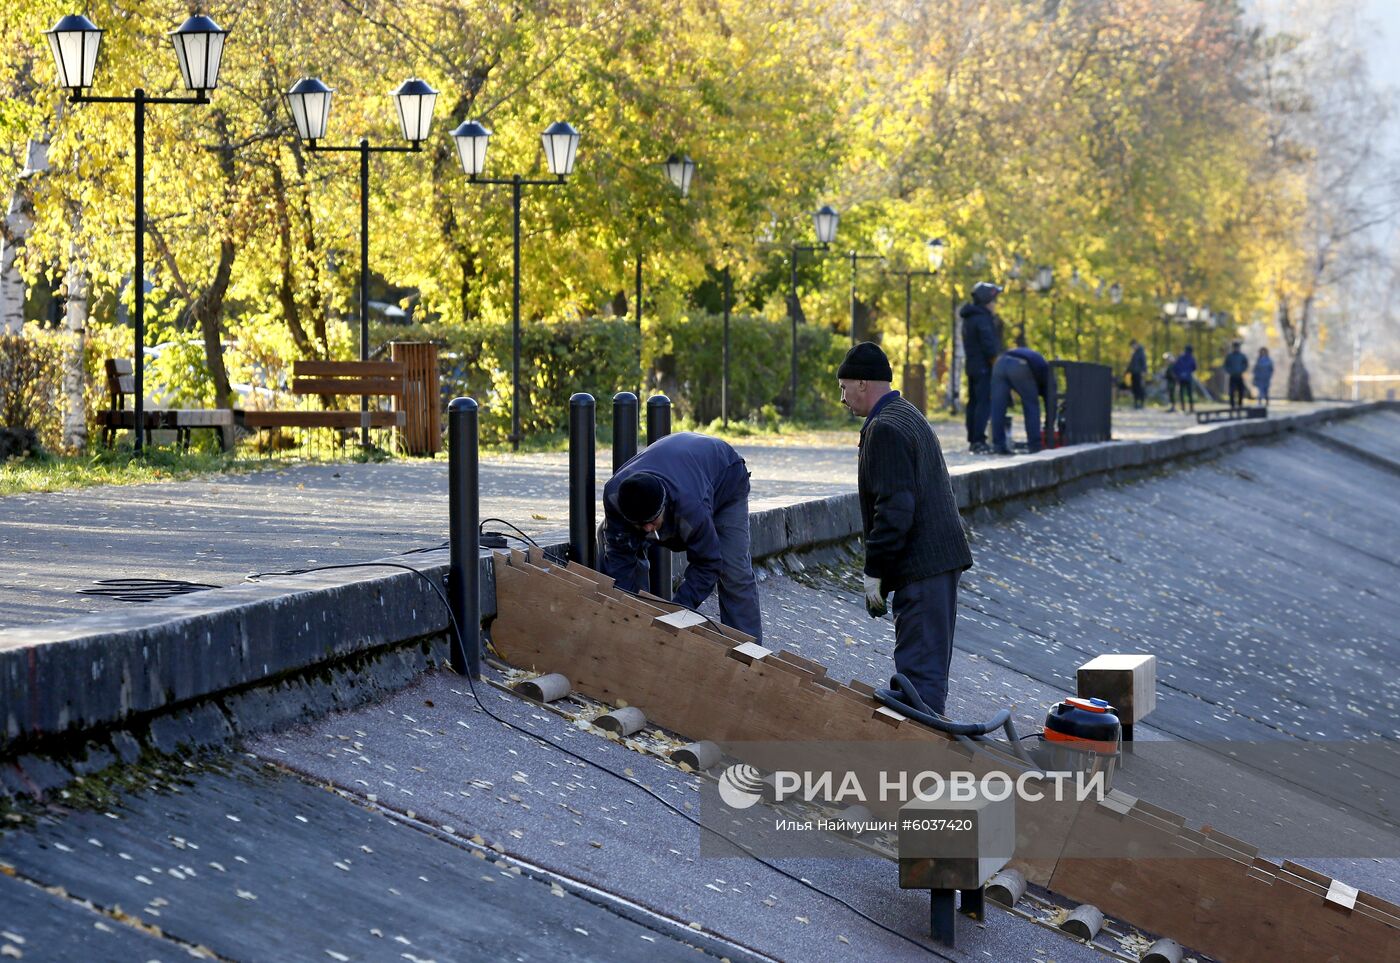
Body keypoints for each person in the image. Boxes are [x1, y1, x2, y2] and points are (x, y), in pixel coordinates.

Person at [837, 342, 973, 715]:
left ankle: (920, 761)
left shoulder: (884, 428)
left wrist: (874, 574)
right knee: (923, 672)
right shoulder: (906, 413)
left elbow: (895, 510)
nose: (843, 399)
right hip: (937, 561)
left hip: (923, 566)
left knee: (919, 685)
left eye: (844, 387)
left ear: (863, 383)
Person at [600, 432, 762, 641]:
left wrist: (678, 613)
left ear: (664, 506)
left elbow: (708, 563)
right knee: (617, 541)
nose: (648, 529)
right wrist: (626, 610)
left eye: (652, 521)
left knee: (733, 568)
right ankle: (635, 627)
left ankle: (748, 654)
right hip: (680, 465)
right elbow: (619, 558)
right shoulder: (614, 495)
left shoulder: (691, 508)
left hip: (725, 477)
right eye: (640, 524)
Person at [960, 282, 1004, 453]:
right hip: (984, 367)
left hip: (971, 365)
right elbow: (989, 346)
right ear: (987, 301)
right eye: (994, 301)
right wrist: (997, 361)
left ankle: (973, 438)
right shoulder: (983, 319)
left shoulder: (969, 318)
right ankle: (979, 440)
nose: (995, 305)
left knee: (973, 402)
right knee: (983, 403)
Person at [990, 346, 1052, 455]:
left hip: (1000, 363)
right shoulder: (1048, 375)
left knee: (998, 407)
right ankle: (1035, 446)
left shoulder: (1038, 361)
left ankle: (998, 445)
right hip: (1019, 365)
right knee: (1031, 405)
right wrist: (1048, 426)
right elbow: (1050, 403)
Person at [1223, 341, 1249, 409]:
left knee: (1241, 391)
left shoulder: (1242, 356)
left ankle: (1240, 404)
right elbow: (1225, 365)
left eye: (1237, 347)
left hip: (1239, 376)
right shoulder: (1230, 356)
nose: (1236, 348)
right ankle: (1232, 405)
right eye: (1235, 347)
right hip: (1232, 376)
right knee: (1232, 391)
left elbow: (1246, 364)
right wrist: (1230, 371)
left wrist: (1241, 370)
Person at [1172, 345, 1197, 413]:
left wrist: (1179, 374)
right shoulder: (1192, 358)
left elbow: (1175, 367)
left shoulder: (1180, 357)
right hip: (1188, 378)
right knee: (1190, 394)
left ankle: (1183, 408)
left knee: (1181, 393)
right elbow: (1194, 367)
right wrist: (1188, 372)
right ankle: (1191, 408)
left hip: (1181, 378)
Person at [1127, 340, 1147, 409]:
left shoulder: (1141, 352)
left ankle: (1141, 403)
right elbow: (1131, 364)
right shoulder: (1134, 353)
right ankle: (1135, 403)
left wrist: (1144, 372)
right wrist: (1127, 371)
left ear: (1136, 344)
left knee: (1140, 388)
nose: (1132, 347)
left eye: (1133, 346)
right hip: (1134, 373)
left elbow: (1143, 362)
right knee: (1134, 388)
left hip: (1139, 373)